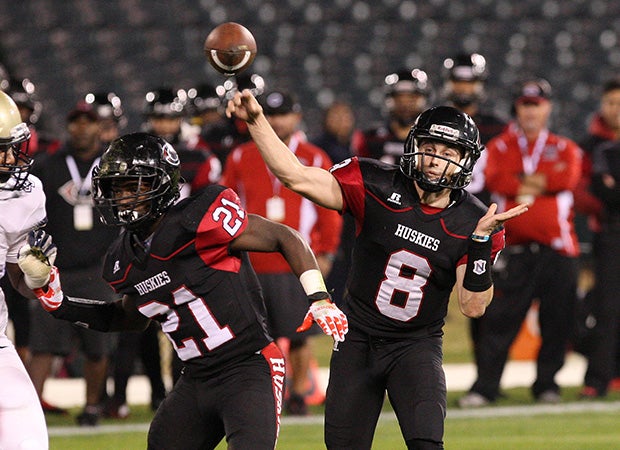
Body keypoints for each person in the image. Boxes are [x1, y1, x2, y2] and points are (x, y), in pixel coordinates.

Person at [227, 90, 528, 449]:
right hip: (356, 340)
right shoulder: (376, 183)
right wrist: (257, 121)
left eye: (449, 154)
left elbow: (473, 306)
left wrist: (479, 245)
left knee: (427, 443)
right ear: (415, 146)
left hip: (415, 345)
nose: (435, 161)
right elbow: (295, 176)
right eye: (430, 148)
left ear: (466, 161)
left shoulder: (474, 221)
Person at [19, 132, 348, 449]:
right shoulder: (123, 257)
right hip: (196, 378)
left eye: (132, 187)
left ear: (161, 184)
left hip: (248, 368)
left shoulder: (199, 219)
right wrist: (61, 304)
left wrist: (318, 296)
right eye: (115, 189)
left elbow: (284, 236)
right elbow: (130, 318)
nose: (122, 198)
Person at [459, 78, 582, 407]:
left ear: (547, 108)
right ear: (517, 107)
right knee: (498, 321)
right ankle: (485, 386)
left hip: (558, 249)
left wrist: (521, 181)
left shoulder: (565, 147)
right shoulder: (498, 147)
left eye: (536, 104)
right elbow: (495, 178)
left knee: (558, 321)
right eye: (525, 104)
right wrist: (541, 179)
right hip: (512, 248)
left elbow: (566, 177)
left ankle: (546, 384)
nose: (530, 110)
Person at [222, 89, 343, 415]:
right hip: (252, 261)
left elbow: (328, 212)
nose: (276, 120)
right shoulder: (240, 156)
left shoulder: (315, 156)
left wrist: (327, 253)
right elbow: (227, 202)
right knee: (257, 339)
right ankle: (266, 397)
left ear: (297, 117)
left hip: (297, 261)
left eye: (282, 114)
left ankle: (299, 395)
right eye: (271, 114)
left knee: (300, 335)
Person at [28, 100, 118, 425]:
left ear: (99, 126)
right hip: (56, 268)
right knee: (43, 345)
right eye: (76, 122)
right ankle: (31, 408)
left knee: (97, 345)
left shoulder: (111, 165)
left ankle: (92, 406)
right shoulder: (49, 165)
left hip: (98, 269)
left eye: (88, 122)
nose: (82, 128)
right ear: (68, 127)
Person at [0, 90, 48, 449]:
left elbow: (18, 279)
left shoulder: (24, 194)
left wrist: (36, 276)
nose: (9, 157)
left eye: (11, 145)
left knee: (27, 441)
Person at [311, 100, 363, 307]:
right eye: (336, 117)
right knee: (333, 267)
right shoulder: (319, 149)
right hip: (328, 213)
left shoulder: (352, 146)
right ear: (325, 120)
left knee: (346, 266)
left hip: (349, 217)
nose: (341, 121)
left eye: (345, 116)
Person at [579, 138, 620, 398]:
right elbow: (602, 193)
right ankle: (598, 379)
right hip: (612, 235)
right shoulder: (605, 150)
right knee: (606, 309)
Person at [441, 53, 507, 205]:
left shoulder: (497, 128)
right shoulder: (436, 121)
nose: (464, 88)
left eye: (470, 82)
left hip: (483, 208)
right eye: (458, 81)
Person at [142, 86, 221, 197]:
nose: (165, 125)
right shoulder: (141, 150)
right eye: (159, 119)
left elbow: (206, 198)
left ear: (181, 118)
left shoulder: (198, 151)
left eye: (171, 119)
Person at [354, 68, 432, 165]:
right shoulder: (371, 138)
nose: (405, 105)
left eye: (411, 99)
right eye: (400, 99)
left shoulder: (431, 139)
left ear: (422, 101)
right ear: (389, 102)